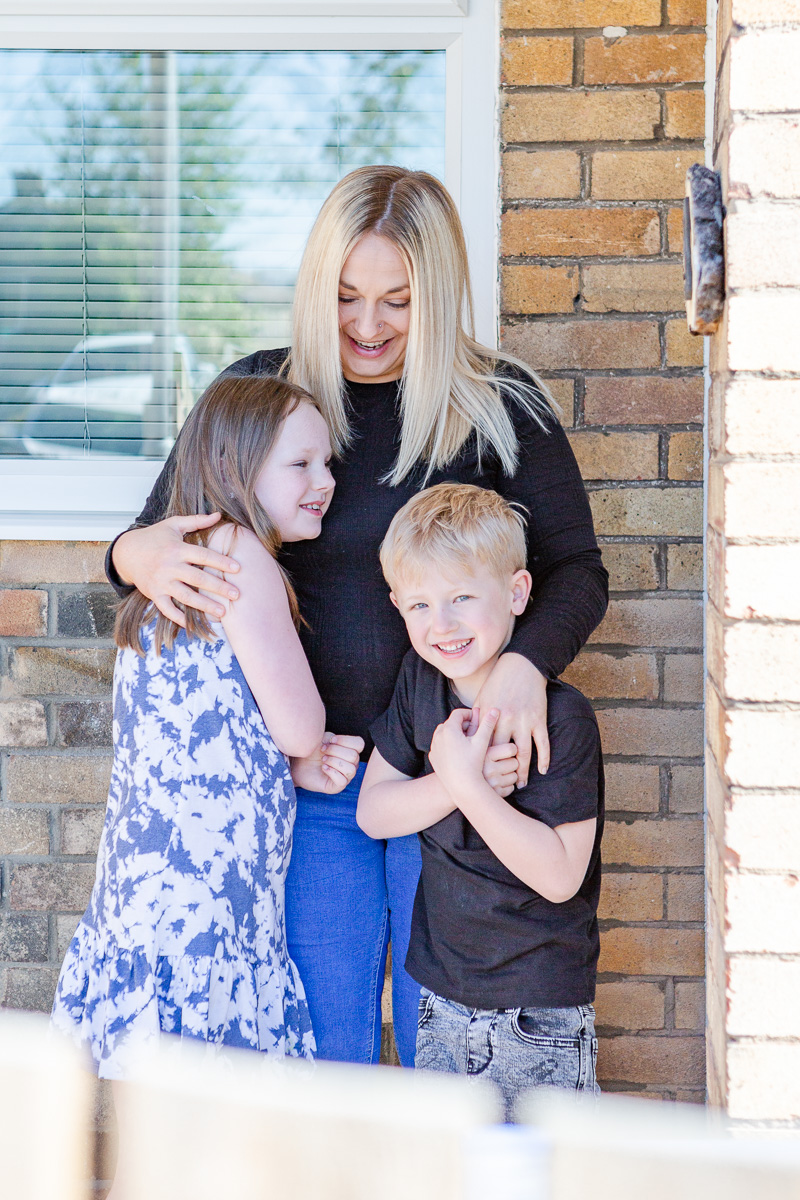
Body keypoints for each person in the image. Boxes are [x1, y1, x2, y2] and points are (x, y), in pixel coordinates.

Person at [104, 165, 608, 1068]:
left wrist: (527, 666)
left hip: (455, 774)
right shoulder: (262, 398)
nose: (367, 326)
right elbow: (159, 541)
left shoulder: (500, 408)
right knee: (326, 1044)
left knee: (443, 1045)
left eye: (398, 301)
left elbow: (577, 572)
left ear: (440, 295)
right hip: (311, 785)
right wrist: (127, 554)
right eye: (345, 296)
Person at [51, 375, 363, 1082]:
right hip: (206, 905)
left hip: (148, 894)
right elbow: (300, 724)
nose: (325, 481)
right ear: (236, 469)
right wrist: (303, 753)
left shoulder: (174, 578)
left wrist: (286, 768)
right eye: (301, 464)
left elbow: (207, 738)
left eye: (328, 464)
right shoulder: (242, 559)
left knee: (158, 1127)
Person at [358, 484, 603, 1119]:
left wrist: (468, 789)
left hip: (537, 1009)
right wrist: (452, 779)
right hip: (440, 997)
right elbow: (374, 811)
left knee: (539, 1176)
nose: (442, 624)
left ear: (518, 593)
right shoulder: (421, 686)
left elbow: (557, 876)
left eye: (462, 597)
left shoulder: (562, 719)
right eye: (420, 604)